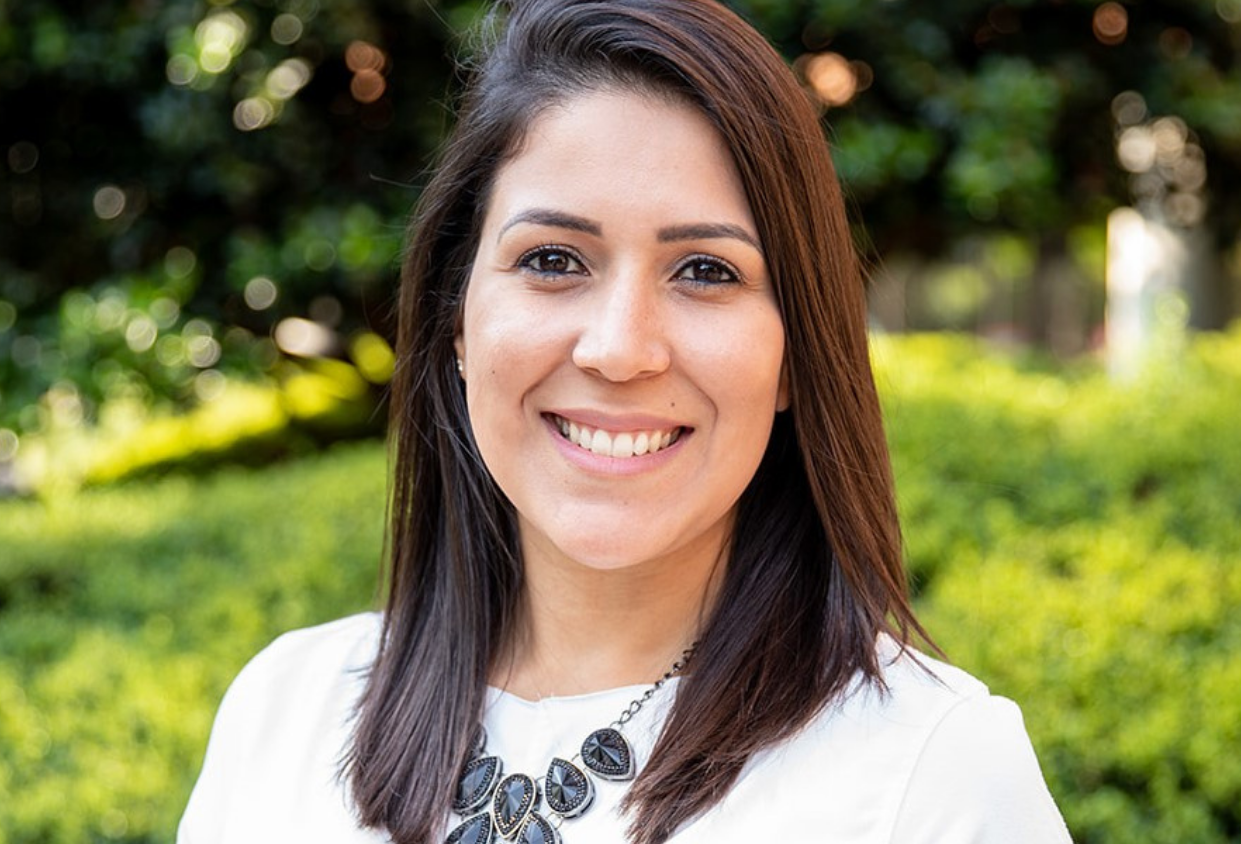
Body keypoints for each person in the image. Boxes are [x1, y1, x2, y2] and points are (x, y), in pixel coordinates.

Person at [178, 1, 1073, 842]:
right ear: (457, 317)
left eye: (706, 272)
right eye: (555, 259)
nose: (619, 348)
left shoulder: (932, 773)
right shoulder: (285, 715)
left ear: (795, 353)